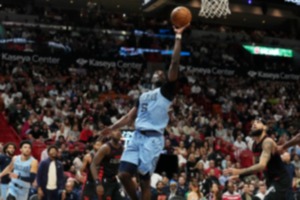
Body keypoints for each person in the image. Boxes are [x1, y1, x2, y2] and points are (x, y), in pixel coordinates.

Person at [101, 24, 190, 200]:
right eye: (156, 72)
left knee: (144, 181)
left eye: (161, 72)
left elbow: (174, 62)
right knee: (124, 174)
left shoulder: (166, 92)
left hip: (153, 139)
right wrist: (111, 127)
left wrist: (178, 37)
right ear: (151, 78)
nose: (158, 73)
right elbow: (129, 117)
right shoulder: (143, 95)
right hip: (137, 136)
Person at [224, 119, 290, 200]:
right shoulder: (253, 145)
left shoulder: (267, 142)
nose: (254, 124)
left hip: (280, 180)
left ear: (265, 127)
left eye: (258, 122)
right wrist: (240, 175)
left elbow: (262, 165)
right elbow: (256, 167)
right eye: (252, 124)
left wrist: (239, 171)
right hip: (270, 180)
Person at [90, 130, 124, 199]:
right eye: (115, 131)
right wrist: (97, 183)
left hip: (115, 180)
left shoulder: (122, 148)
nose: (117, 132)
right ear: (111, 134)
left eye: (119, 131)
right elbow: (93, 165)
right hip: (104, 180)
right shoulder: (105, 148)